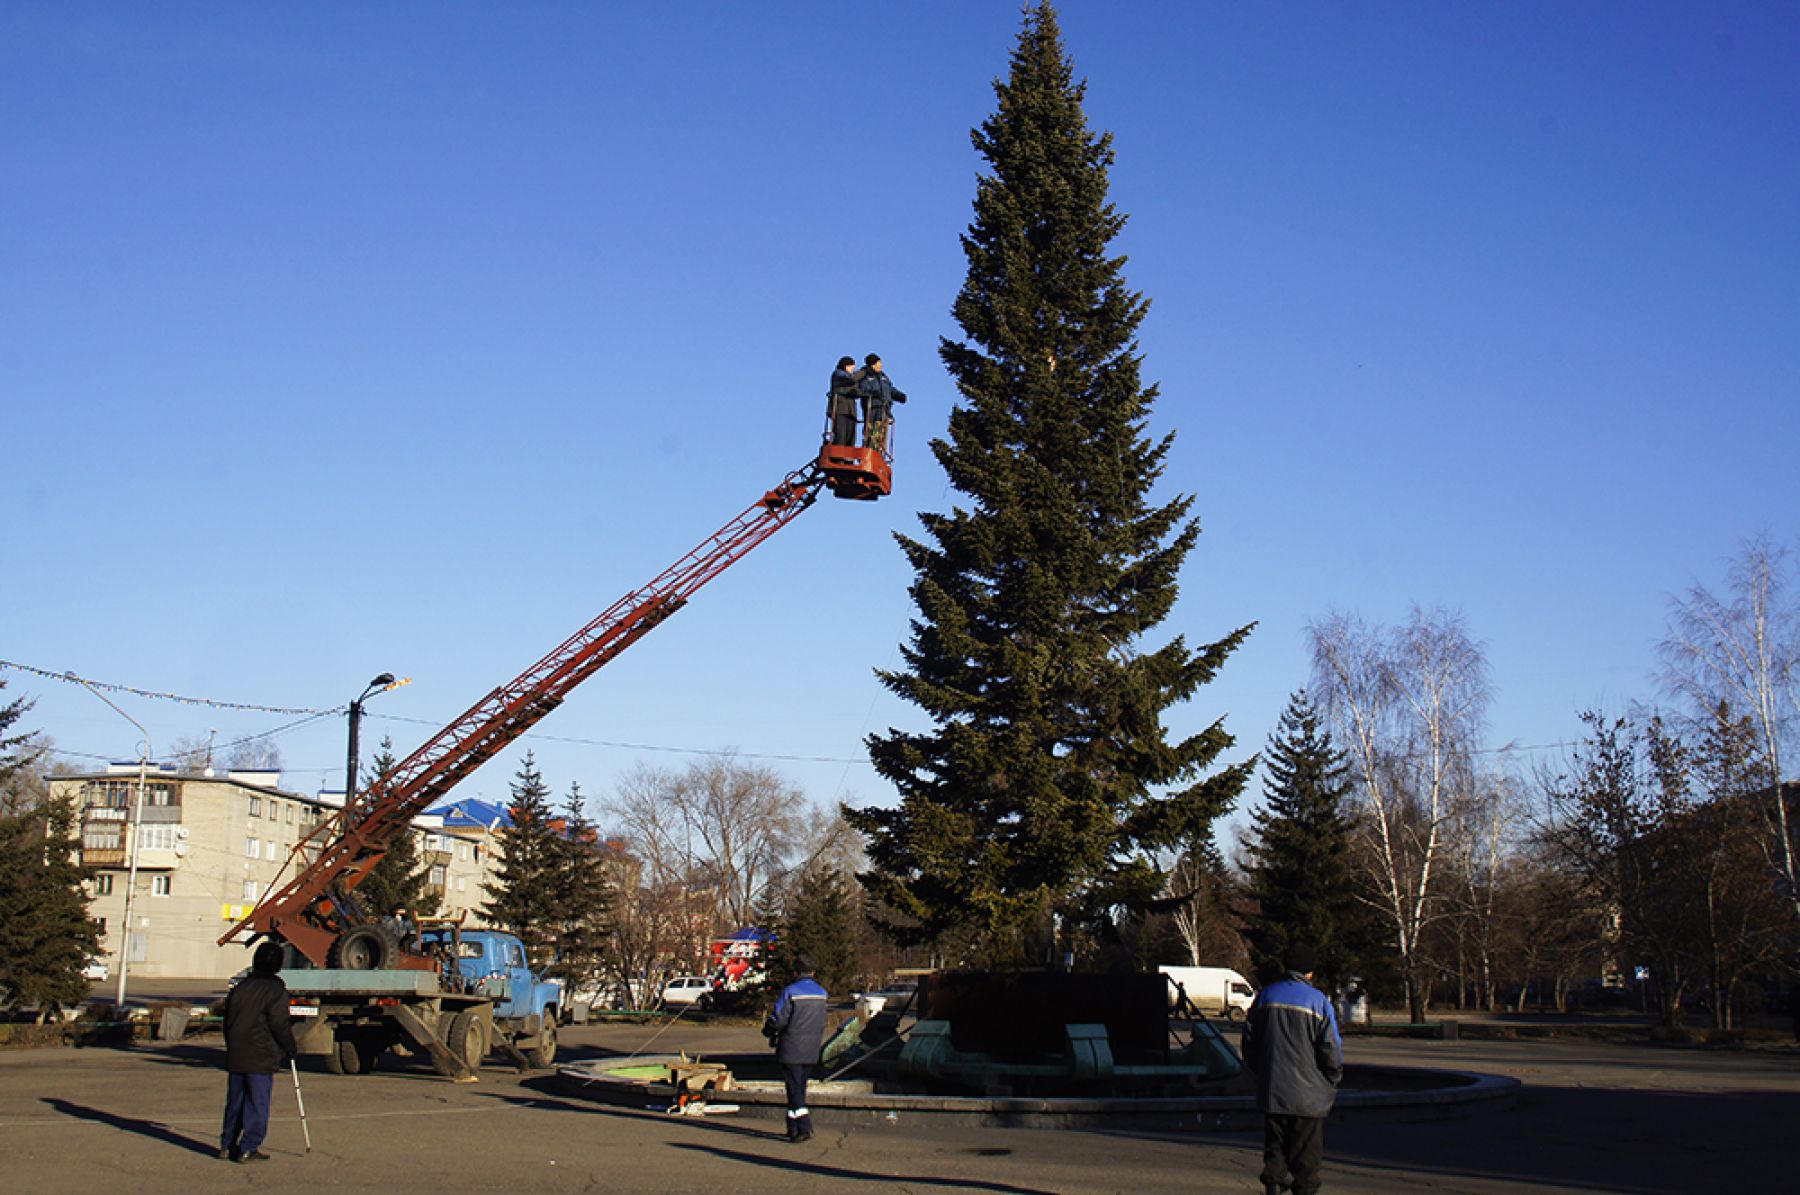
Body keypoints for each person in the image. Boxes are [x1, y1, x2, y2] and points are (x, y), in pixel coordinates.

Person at [1240, 943, 1343, 1195]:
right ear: (1310, 971)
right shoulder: (1318, 1001)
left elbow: (1249, 1042)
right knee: (1306, 1157)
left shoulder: (1265, 997)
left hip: (1273, 1089)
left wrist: (1262, 1072)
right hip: (1308, 1094)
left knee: (1275, 1147)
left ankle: (1274, 1184)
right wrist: (1332, 1077)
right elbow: (1330, 1048)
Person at [219, 940, 298, 1163]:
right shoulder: (275, 990)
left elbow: (227, 1021)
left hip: (238, 1052)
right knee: (257, 1102)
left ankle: (227, 1144)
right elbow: (279, 1023)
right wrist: (289, 1047)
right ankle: (248, 1146)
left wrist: (231, 1044)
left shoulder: (240, 988)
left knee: (235, 1101)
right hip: (261, 1053)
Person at [762, 952, 829, 1142]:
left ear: (795, 972)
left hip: (791, 1046)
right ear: (813, 972)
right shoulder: (821, 993)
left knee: (793, 1088)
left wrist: (768, 1030)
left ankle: (804, 1126)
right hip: (812, 1047)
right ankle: (792, 1127)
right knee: (800, 1086)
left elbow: (779, 1019)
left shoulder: (791, 992)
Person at [856, 353, 906, 451]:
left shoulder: (883, 376)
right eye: (879, 363)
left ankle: (879, 450)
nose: (881, 365)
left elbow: (890, 389)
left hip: (884, 409)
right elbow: (863, 388)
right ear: (873, 364)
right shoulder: (866, 376)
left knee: (882, 433)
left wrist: (899, 396)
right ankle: (869, 450)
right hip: (872, 408)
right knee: (871, 431)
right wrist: (873, 393)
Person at [826, 356, 862, 446]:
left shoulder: (852, 379)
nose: (853, 369)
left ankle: (848, 453)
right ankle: (838, 452)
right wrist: (862, 373)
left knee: (851, 437)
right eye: (852, 367)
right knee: (840, 435)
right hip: (840, 409)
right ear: (846, 366)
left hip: (851, 411)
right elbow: (849, 379)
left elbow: (857, 390)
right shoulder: (838, 374)